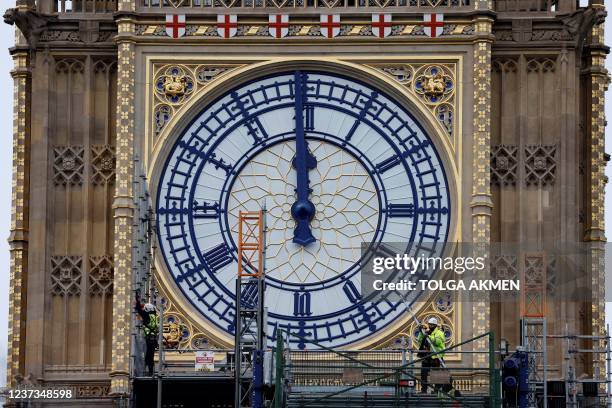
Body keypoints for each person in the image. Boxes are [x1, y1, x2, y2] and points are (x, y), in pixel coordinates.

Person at [417, 317, 446, 394]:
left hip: (436, 356)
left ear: (435, 325)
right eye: (430, 324)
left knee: (437, 374)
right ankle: (423, 390)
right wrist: (421, 332)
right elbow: (420, 341)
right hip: (427, 356)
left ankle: (437, 391)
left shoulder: (440, 333)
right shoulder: (427, 332)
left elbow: (438, 342)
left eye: (432, 325)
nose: (430, 326)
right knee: (423, 373)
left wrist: (429, 337)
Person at [135, 295, 159, 376]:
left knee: (147, 357)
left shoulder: (147, 316)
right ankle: (151, 372)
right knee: (150, 357)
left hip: (148, 340)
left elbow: (139, 310)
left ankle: (148, 372)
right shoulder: (154, 317)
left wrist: (137, 299)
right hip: (153, 340)